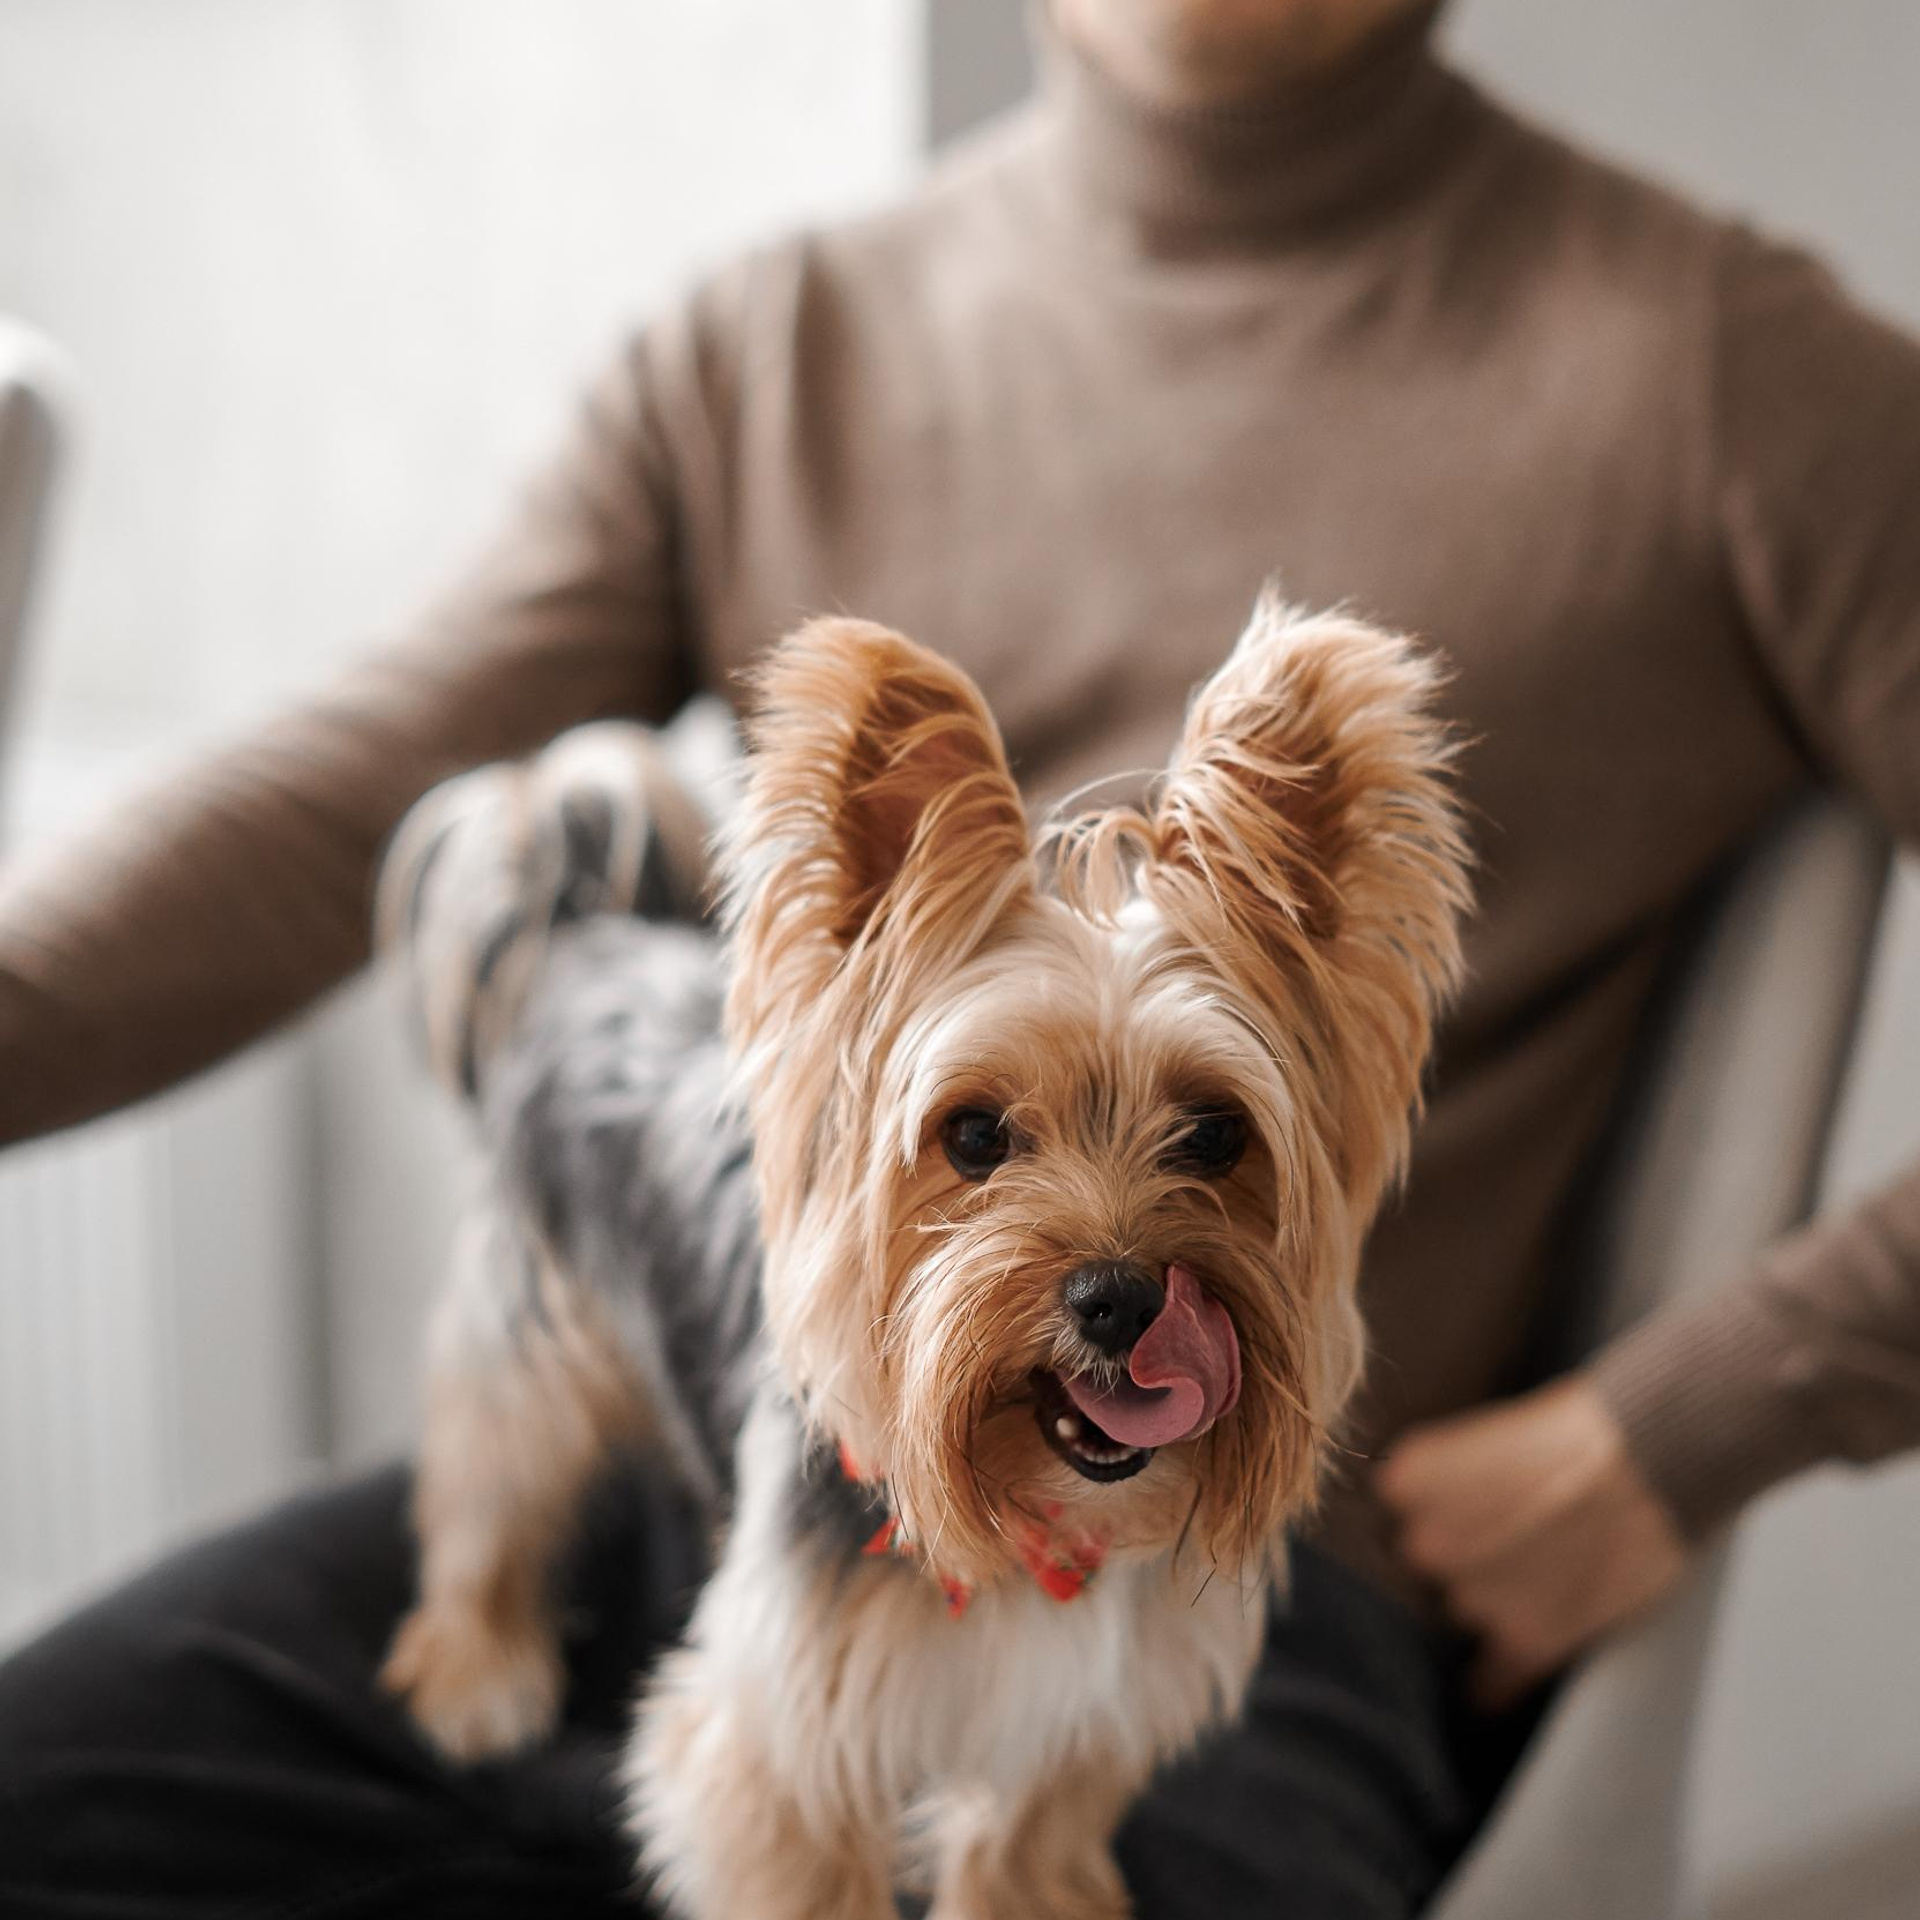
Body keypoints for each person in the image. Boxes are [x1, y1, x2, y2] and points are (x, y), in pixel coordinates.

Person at [3, 0, 1919, 1912]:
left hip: (1251, 1567)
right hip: (734, 1437)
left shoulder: (1735, 376)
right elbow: (354, 794)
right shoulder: (764, 350)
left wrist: (1694, 1418)